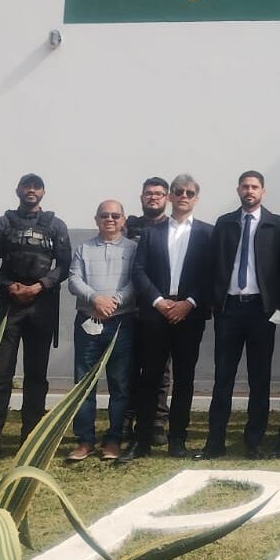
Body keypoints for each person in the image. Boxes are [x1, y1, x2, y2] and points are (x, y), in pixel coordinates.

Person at [0, 173, 72, 467]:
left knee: (36, 377)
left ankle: (30, 441)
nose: (31, 191)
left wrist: (40, 285)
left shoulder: (56, 225)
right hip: (8, 304)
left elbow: (65, 265)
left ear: (43, 192)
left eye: (36, 187)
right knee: (0, 376)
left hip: (41, 306)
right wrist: (8, 285)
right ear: (18, 190)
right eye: (26, 187)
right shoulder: (3, 224)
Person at [201, 171, 280, 460]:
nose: (250, 191)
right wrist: (215, 302)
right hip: (229, 309)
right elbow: (212, 263)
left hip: (261, 311)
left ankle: (254, 441)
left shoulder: (276, 225)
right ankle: (214, 441)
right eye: (245, 186)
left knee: (259, 378)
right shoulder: (225, 223)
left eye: (255, 187)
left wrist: (278, 304)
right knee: (223, 378)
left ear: (263, 191)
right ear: (238, 190)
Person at [122, 173, 214, 462]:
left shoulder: (207, 233)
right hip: (156, 313)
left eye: (189, 193)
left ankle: (177, 439)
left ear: (196, 198)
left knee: (184, 379)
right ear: (171, 197)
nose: (183, 196)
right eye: (179, 192)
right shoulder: (152, 232)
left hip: (190, 314)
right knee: (149, 377)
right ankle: (143, 440)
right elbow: (139, 270)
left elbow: (212, 275)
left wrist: (189, 302)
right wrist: (160, 302)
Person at [65, 200, 138, 462]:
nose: (110, 219)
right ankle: (85, 440)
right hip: (88, 322)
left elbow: (135, 280)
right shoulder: (83, 248)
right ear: (96, 219)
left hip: (121, 323)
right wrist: (95, 298)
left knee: (119, 384)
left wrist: (114, 301)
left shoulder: (133, 248)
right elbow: (74, 279)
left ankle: (114, 439)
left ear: (123, 220)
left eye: (115, 215)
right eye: (104, 215)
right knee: (84, 384)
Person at [122, 176, 172, 444]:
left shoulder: (171, 227)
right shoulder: (127, 227)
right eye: (149, 193)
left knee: (161, 371)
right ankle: (127, 420)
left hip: (159, 308)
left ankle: (157, 422)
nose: (153, 197)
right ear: (141, 197)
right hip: (129, 308)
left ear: (167, 198)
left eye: (159, 194)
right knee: (130, 368)